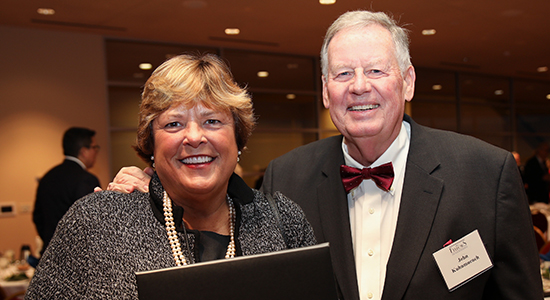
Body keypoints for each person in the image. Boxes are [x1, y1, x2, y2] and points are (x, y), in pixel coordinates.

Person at [107, 11, 542, 300]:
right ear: (325, 90)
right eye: (343, 74)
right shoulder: (286, 178)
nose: (359, 86)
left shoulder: (486, 173)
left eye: (376, 70)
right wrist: (156, 191)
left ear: (407, 82)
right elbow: (223, 226)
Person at [25, 53, 316, 299]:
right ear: (150, 143)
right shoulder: (96, 223)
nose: (194, 137)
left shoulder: (285, 221)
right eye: (174, 123)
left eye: (212, 121)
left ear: (238, 138)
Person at [32, 127, 100, 256]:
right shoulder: (86, 179)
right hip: (78, 256)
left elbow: (38, 217)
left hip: (50, 254)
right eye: (94, 148)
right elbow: (92, 223)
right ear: (84, 151)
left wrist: (51, 240)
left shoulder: (47, 177)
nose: (96, 152)